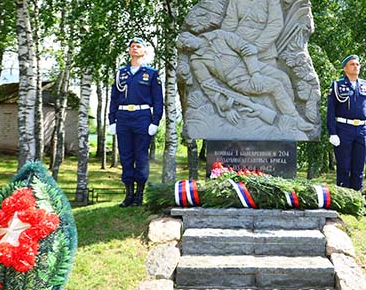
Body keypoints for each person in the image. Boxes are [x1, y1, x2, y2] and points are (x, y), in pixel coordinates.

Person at [177, 29, 312, 131]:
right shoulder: (197, 61)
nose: (188, 47)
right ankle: (295, 120)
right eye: (185, 48)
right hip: (238, 79)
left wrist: (255, 73)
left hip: (251, 66)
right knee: (276, 86)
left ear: (190, 35)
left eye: (186, 43)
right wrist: (226, 108)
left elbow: (245, 48)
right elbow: (208, 86)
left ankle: (286, 114)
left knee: (283, 77)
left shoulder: (218, 35)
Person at [108, 37, 164, 207]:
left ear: (145, 51)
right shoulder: (120, 73)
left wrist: (155, 121)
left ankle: (139, 195)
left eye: (138, 46)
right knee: (125, 156)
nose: (135, 49)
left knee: (140, 156)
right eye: (132, 46)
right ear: (129, 51)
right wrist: (112, 120)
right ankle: (129, 195)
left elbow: (158, 101)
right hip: (124, 118)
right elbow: (114, 98)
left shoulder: (152, 74)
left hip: (142, 118)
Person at [326, 54, 366, 191]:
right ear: (345, 68)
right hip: (343, 129)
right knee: (344, 168)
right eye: (352, 64)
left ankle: (357, 202)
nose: (356, 66)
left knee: (359, 168)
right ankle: (344, 201)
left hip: (362, 130)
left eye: (357, 64)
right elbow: (331, 111)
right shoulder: (337, 86)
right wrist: (332, 133)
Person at [221, 0, 283, 67]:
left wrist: (257, 46)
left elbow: (276, 23)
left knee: (272, 80)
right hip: (241, 46)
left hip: (265, 50)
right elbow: (230, 23)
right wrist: (226, 42)